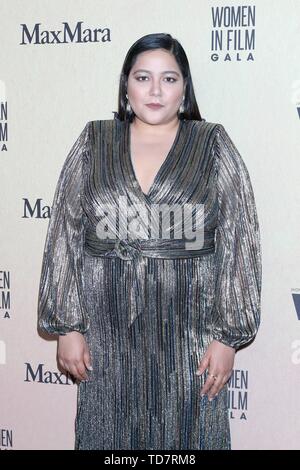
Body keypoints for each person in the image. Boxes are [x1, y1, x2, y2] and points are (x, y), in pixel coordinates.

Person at [37, 32, 262, 450]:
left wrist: (228, 336)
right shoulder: (94, 141)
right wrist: (67, 326)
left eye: (169, 79)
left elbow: (240, 239)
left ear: (185, 88)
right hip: (106, 337)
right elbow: (65, 233)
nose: (155, 91)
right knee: (107, 436)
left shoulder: (212, 144)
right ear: (126, 86)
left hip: (191, 336)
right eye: (143, 78)